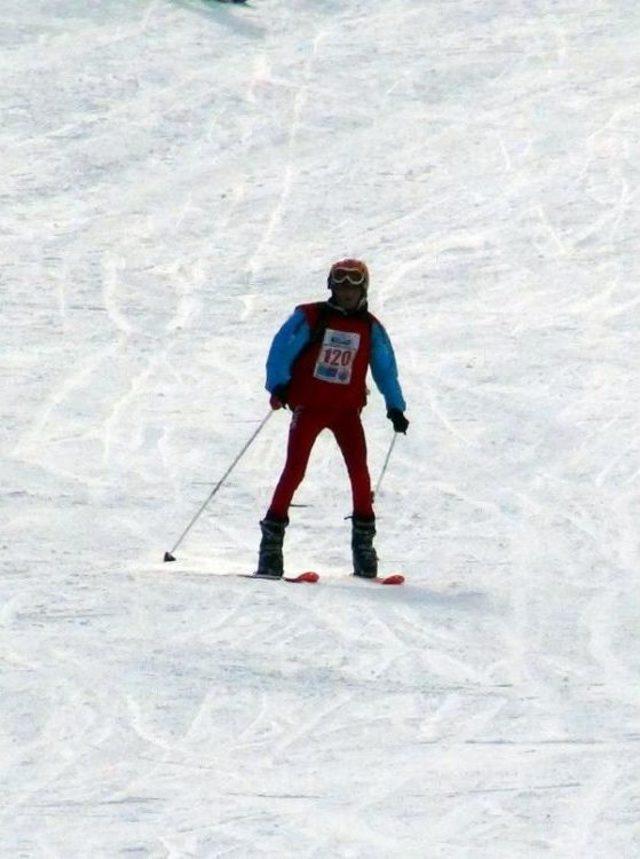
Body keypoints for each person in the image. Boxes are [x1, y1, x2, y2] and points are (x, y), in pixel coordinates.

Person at [255, 259, 408, 579]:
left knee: (360, 475)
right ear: (331, 288)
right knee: (294, 471)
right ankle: (271, 547)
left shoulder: (370, 328)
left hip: (345, 412)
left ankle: (364, 551)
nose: (346, 293)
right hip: (309, 407)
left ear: (363, 290)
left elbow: (384, 367)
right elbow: (282, 348)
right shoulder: (311, 317)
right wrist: (279, 384)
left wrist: (395, 406)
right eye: (340, 287)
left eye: (353, 288)